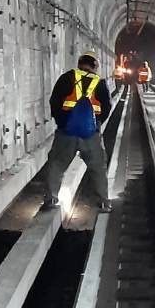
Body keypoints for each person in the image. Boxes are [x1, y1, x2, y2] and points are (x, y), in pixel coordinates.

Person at [40, 53, 113, 211]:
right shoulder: (99, 82)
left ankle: (51, 199)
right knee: (98, 167)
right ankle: (104, 202)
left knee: (57, 164)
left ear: (80, 64)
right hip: (91, 135)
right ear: (95, 66)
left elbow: (54, 101)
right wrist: (97, 125)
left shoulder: (67, 78)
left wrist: (62, 122)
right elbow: (106, 107)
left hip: (66, 133)